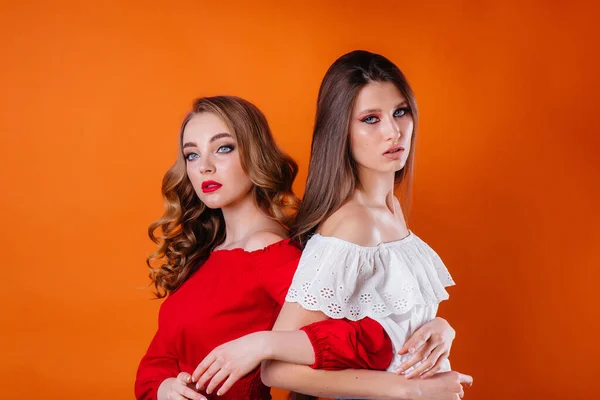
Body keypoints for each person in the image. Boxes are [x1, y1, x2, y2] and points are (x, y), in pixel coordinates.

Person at [191, 51, 473, 400]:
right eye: (370, 119)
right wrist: (408, 390)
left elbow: (391, 322)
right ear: (341, 129)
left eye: (400, 112)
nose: (393, 131)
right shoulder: (351, 223)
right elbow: (277, 370)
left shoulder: (391, 210)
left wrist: (441, 329)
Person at [135, 95, 441, 400]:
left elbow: (368, 336)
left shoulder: (272, 252)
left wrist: (265, 343)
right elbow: (159, 357)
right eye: (192, 155)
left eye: (223, 148)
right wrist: (164, 388)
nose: (205, 167)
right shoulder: (205, 252)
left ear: (255, 154)